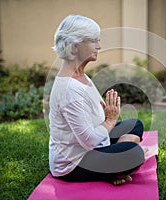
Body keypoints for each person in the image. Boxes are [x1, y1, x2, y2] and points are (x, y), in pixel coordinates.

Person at [49, 15, 145, 185]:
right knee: (134, 153)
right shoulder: (68, 89)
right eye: (93, 41)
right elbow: (89, 141)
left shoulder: (80, 75)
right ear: (75, 45)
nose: (99, 46)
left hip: (97, 143)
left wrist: (104, 113)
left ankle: (114, 168)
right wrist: (109, 121)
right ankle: (115, 167)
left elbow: (94, 114)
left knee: (135, 124)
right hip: (73, 162)